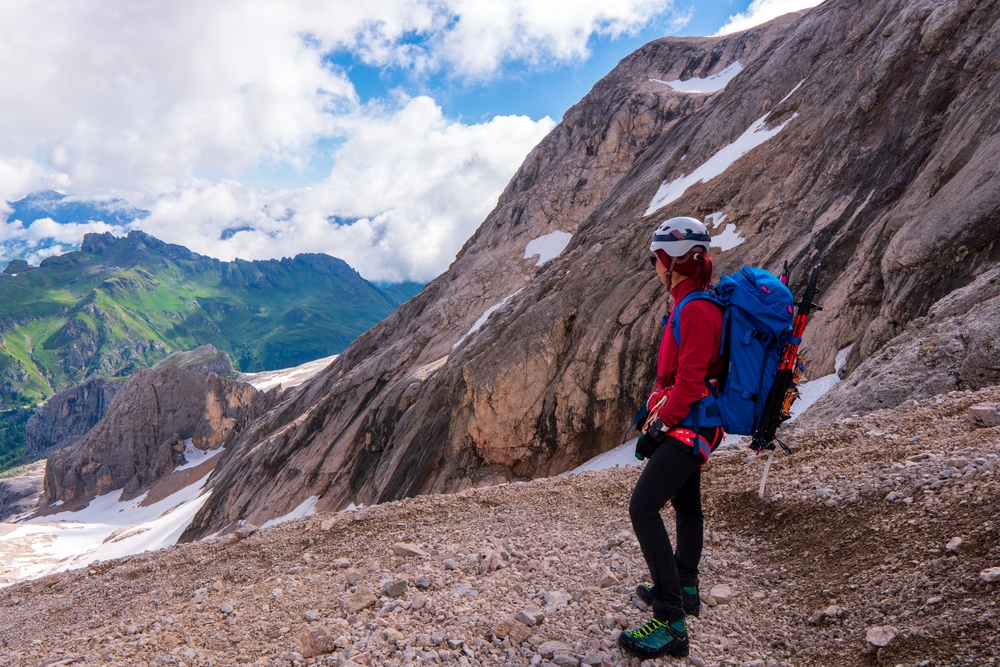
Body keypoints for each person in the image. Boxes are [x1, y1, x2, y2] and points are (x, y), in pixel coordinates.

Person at [617, 217, 725, 660]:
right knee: (686, 506)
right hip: (694, 421)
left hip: (691, 423)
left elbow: (690, 381)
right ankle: (686, 587)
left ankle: (671, 621)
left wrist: (662, 425)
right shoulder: (689, 303)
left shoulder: (697, 309)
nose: (656, 268)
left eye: (658, 259)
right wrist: (656, 414)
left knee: (642, 508)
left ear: (674, 262)